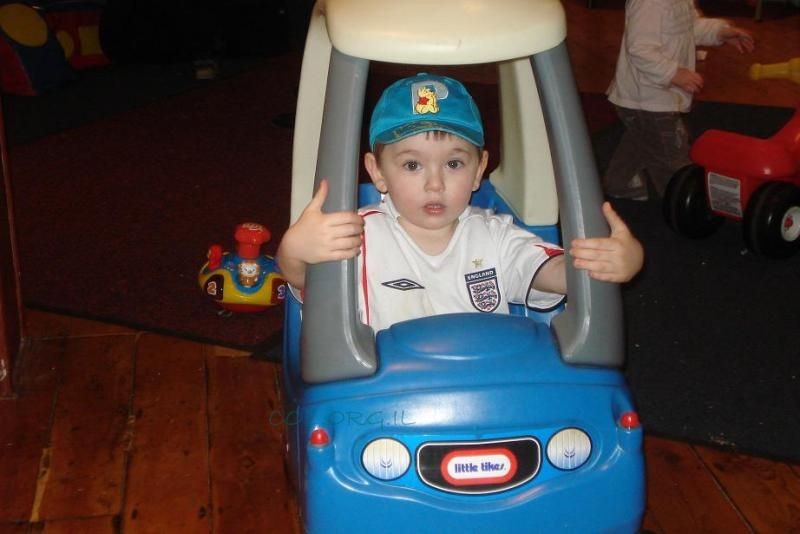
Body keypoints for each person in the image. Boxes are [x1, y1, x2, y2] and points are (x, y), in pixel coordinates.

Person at [277, 73, 644, 332]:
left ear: (479, 169)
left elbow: (555, 274)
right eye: (412, 165)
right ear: (377, 172)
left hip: (481, 394)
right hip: (388, 400)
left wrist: (610, 261)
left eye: (454, 164)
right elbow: (311, 283)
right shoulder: (358, 235)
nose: (435, 184)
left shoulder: (495, 236)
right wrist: (294, 253)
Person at [603, 0, 754, 201]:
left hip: (659, 94)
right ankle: (680, 201)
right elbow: (639, 48)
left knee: (644, 137)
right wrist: (673, 73)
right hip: (646, 97)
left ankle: (619, 183)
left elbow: (690, 27)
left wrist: (720, 32)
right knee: (670, 153)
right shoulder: (649, 3)